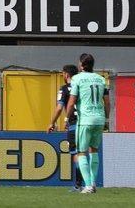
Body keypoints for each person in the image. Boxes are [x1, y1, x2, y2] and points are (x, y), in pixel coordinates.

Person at [64, 52, 108, 195]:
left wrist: (66, 118)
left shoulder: (77, 79)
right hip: (99, 119)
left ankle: (88, 185)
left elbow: (71, 102)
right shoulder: (101, 79)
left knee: (81, 152)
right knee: (94, 150)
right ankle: (93, 182)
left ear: (82, 65)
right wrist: (106, 118)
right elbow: (107, 102)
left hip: (85, 120)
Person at [47, 64, 83, 191]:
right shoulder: (82, 86)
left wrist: (52, 122)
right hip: (86, 122)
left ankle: (79, 184)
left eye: (63, 74)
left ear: (66, 74)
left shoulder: (64, 89)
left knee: (76, 154)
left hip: (74, 124)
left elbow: (59, 107)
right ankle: (89, 183)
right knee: (85, 153)